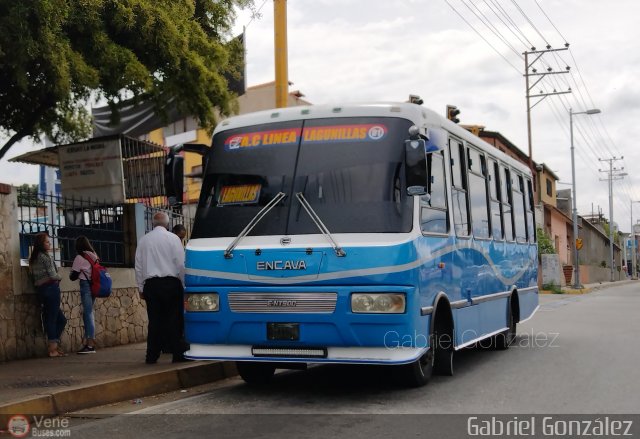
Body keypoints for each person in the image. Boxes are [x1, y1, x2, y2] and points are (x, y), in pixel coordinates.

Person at [135, 212, 187, 364]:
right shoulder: (173, 239)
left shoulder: (144, 240)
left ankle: (152, 355)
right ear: (167, 223)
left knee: (155, 321)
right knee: (174, 320)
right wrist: (184, 284)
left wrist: (141, 288)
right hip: (171, 283)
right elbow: (180, 264)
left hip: (151, 285)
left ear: (152, 223)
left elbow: (138, 266)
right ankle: (178, 354)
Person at [28, 233, 67, 357]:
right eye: (47, 242)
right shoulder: (46, 257)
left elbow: (32, 277)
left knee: (60, 319)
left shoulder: (34, 258)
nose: (49, 244)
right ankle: (53, 349)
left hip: (41, 290)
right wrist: (60, 277)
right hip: (51, 288)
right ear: (41, 244)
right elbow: (53, 275)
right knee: (53, 319)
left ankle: (53, 344)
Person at [69, 236, 99, 354]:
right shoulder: (93, 254)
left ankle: (90, 344)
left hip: (86, 285)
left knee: (88, 313)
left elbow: (73, 276)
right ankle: (90, 342)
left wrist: (72, 272)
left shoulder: (79, 257)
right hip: (94, 285)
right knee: (89, 312)